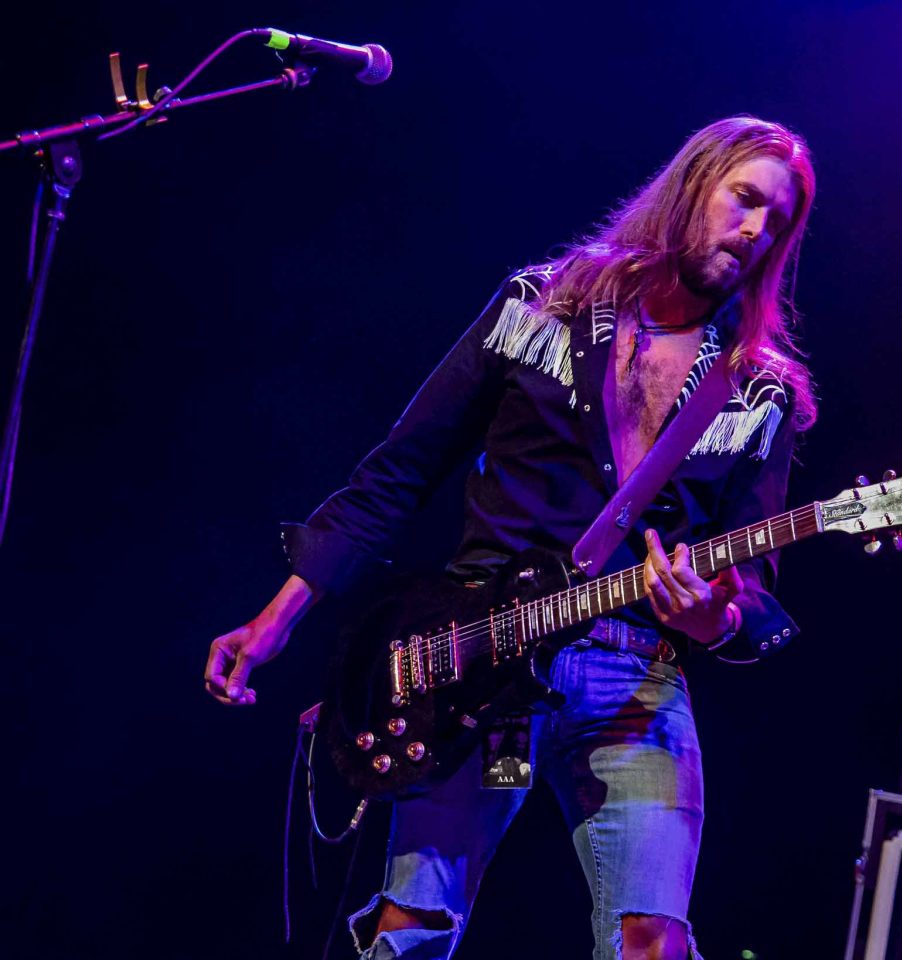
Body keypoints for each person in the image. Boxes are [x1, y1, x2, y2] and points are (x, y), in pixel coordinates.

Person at [205, 115, 818, 960]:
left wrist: (714, 617)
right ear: (691, 186)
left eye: (777, 222)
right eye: (745, 199)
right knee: (415, 927)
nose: (755, 230)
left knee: (655, 941)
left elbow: (750, 587)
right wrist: (277, 617)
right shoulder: (542, 305)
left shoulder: (758, 391)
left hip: (636, 677)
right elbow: (403, 467)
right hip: (475, 655)